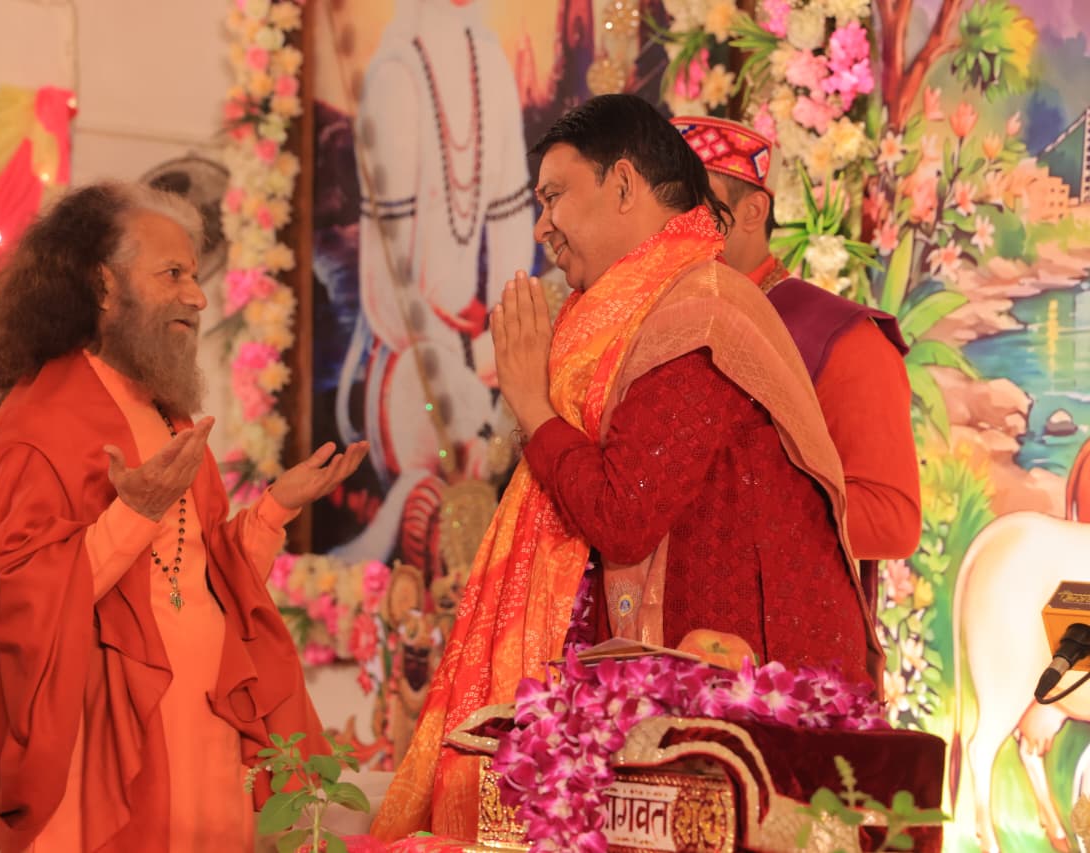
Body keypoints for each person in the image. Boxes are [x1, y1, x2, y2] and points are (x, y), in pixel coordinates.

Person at [371, 94, 882, 841]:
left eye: (554, 196)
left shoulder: (696, 314)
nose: (542, 226)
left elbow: (623, 514)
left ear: (622, 186)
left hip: (749, 728)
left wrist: (533, 406)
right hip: (691, 726)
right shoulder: (645, 314)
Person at [0, 181, 368, 853]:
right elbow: (16, 600)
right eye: (173, 273)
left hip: (210, 728)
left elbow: (202, 572)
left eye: (194, 275)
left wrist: (277, 505)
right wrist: (134, 512)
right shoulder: (37, 425)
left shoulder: (163, 410)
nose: (197, 296)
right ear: (104, 285)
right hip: (115, 752)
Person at [672, 116, 921, 604]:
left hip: (782, 637)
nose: (671, 227)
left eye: (692, 204)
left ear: (752, 211)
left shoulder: (836, 336)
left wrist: (719, 510)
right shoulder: (654, 324)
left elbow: (890, 520)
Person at [331, 0, 536, 570]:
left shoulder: (490, 63)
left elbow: (512, 220)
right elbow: (386, 278)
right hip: (411, 358)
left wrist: (500, 336)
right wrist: (459, 354)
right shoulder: (396, 75)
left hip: (483, 348)